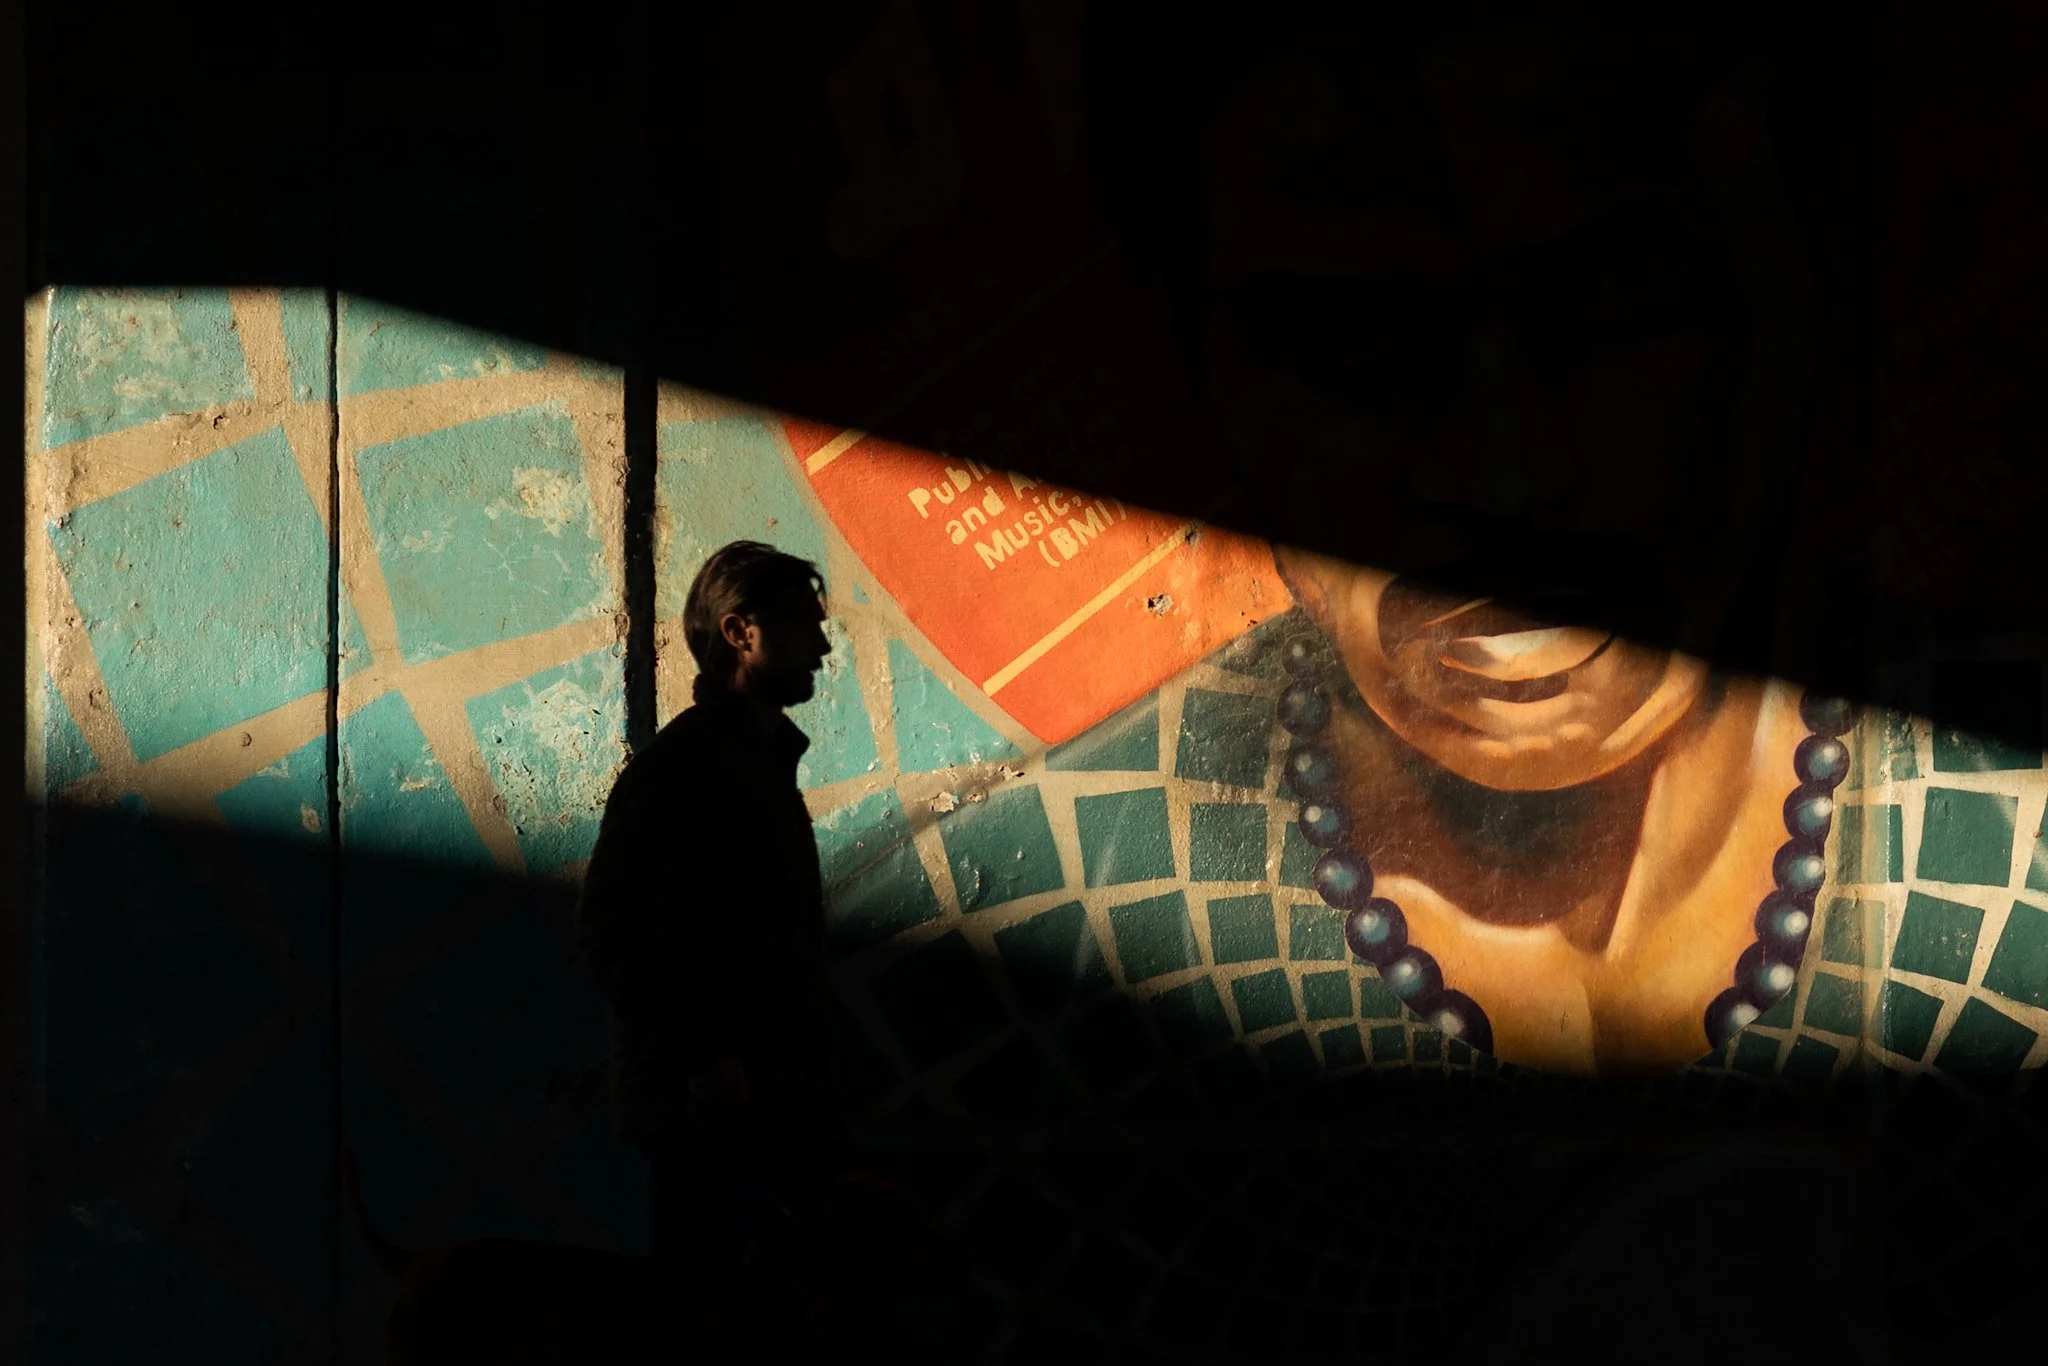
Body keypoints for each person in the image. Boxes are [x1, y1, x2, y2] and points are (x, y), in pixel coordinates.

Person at [1079, 4, 1865, 1073]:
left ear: (1800, 273)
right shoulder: (1067, 927)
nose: (1504, 471)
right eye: (1348, 340)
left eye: (1610, 297)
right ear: (1188, 378)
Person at [574, 540, 847, 1275]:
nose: (823, 646)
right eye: (805, 626)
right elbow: (614, 935)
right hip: (711, 1124)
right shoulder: (688, 767)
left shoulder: (753, 763)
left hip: (760, 1110)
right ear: (740, 632)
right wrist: (707, 1060)